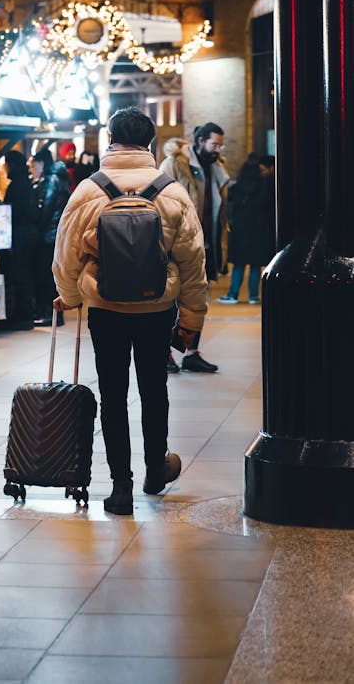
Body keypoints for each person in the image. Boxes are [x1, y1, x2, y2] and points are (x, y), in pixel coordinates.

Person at [52, 107, 208, 515]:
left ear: (110, 139)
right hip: (157, 307)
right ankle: (156, 469)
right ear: (151, 143)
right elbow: (193, 260)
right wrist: (192, 316)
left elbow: (65, 253)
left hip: (106, 308)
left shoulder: (89, 190)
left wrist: (69, 296)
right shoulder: (171, 191)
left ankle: (121, 486)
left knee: (113, 394)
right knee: (154, 389)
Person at [159, 122, 228, 373]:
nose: (218, 149)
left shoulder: (216, 167)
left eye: (220, 144)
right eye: (214, 144)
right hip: (178, 243)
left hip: (206, 243)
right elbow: (161, 203)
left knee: (197, 300)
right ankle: (164, 352)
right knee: (171, 299)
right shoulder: (174, 164)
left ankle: (190, 352)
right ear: (199, 141)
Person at [218, 155, 274, 304]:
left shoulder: (238, 187)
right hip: (259, 230)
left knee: (239, 265)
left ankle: (233, 294)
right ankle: (253, 296)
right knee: (255, 265)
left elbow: (230, 207)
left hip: (241, 230)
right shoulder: (265, 186)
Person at [0, 149, 39, 330]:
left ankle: (22, 316)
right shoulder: (26, 182)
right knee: (26, 274)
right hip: (29, 233)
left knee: (20, 274)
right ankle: (25, 313)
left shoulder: (17, 185)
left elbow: (14, 211)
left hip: (20, 234)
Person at [31, 147, 71, 326]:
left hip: (48, 235)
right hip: (57, 234)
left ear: (41, 163)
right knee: (52, 275)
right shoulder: (60, 177)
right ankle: (55, 313)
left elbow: (47, 206)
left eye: (33, 165)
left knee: (45, 276)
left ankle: (48, 313)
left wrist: (38, 225)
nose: (32, 169)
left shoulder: (51, 179)